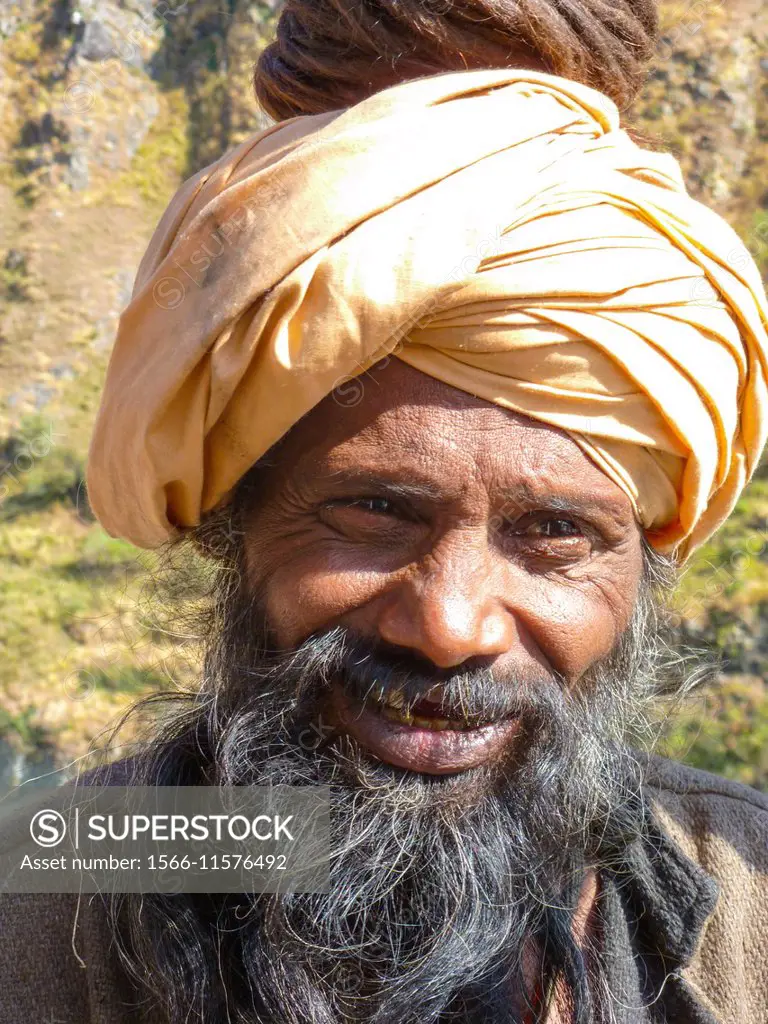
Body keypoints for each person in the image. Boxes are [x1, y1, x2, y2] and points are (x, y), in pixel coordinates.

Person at [1, 2, 767, 1023]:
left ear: (647, 558)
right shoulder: (58, 889)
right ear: (235, 519)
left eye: (554, 535)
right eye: (372, 510)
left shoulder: (743, 912)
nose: (449, 626)